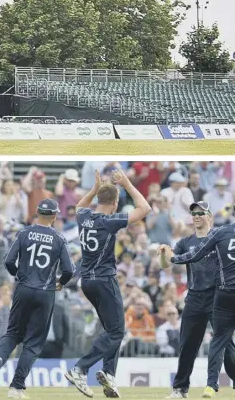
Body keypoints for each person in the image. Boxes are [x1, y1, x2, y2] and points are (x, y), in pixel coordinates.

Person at [64, 169, 151, 399]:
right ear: (114, 203)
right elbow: (145, 209)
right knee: (117, 331)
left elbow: (80, 206)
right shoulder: (109, 221)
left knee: (112, 329)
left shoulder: (84, 217)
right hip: (104, 280)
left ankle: (109, 375)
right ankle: (80, 368)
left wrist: (94, 189)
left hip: (87, 281)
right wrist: (129, 184)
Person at [0, 198, 74, 399]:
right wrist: (60, 282)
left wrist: (19, 276)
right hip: (45, 293)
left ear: (37, 213)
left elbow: (8, 261)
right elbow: (69, 269)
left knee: (13, 332)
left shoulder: (24, 232)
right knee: (33, 343)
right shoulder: (59, 238)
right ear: (55, 216)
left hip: (23, 289)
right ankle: (16, 387)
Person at [159, 202, 235, 399]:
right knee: (187, 345)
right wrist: (163, 255)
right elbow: (166, 264)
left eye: (201, 213)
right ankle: (180, 389)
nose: (196, 216)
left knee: (226, 346)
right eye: (193, 213)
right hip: (194, 297)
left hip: (217, 296)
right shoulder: (185, 242)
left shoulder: (220, 236)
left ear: (209, 215)